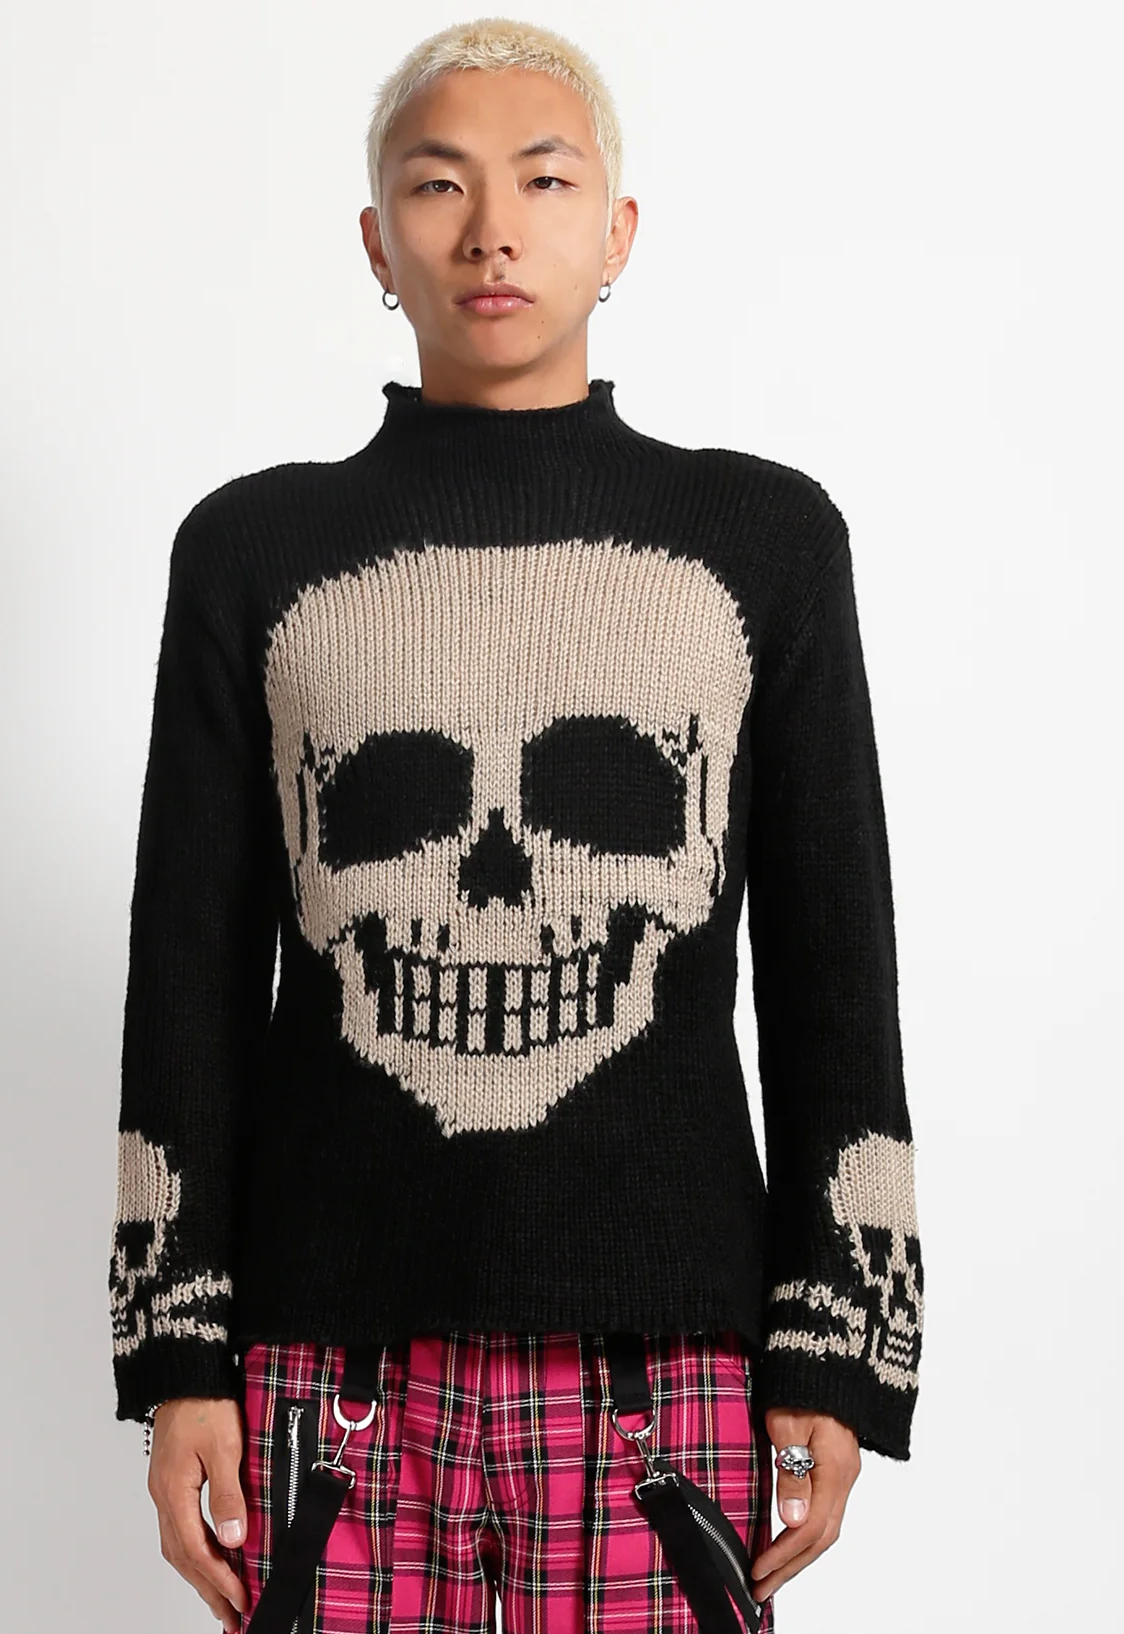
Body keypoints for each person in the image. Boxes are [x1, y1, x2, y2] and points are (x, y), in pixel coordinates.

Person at [107, 17, 924, 1633]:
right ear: (376, 244)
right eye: (439, 185)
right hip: (324, 1372)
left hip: (666, 1376)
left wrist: (841, 1338)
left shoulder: (763, 540)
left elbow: (836, 955)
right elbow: (186, 967)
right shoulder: (250, 552)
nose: (491, 229)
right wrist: (175, 1352)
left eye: (544, 181)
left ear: (618, 232)